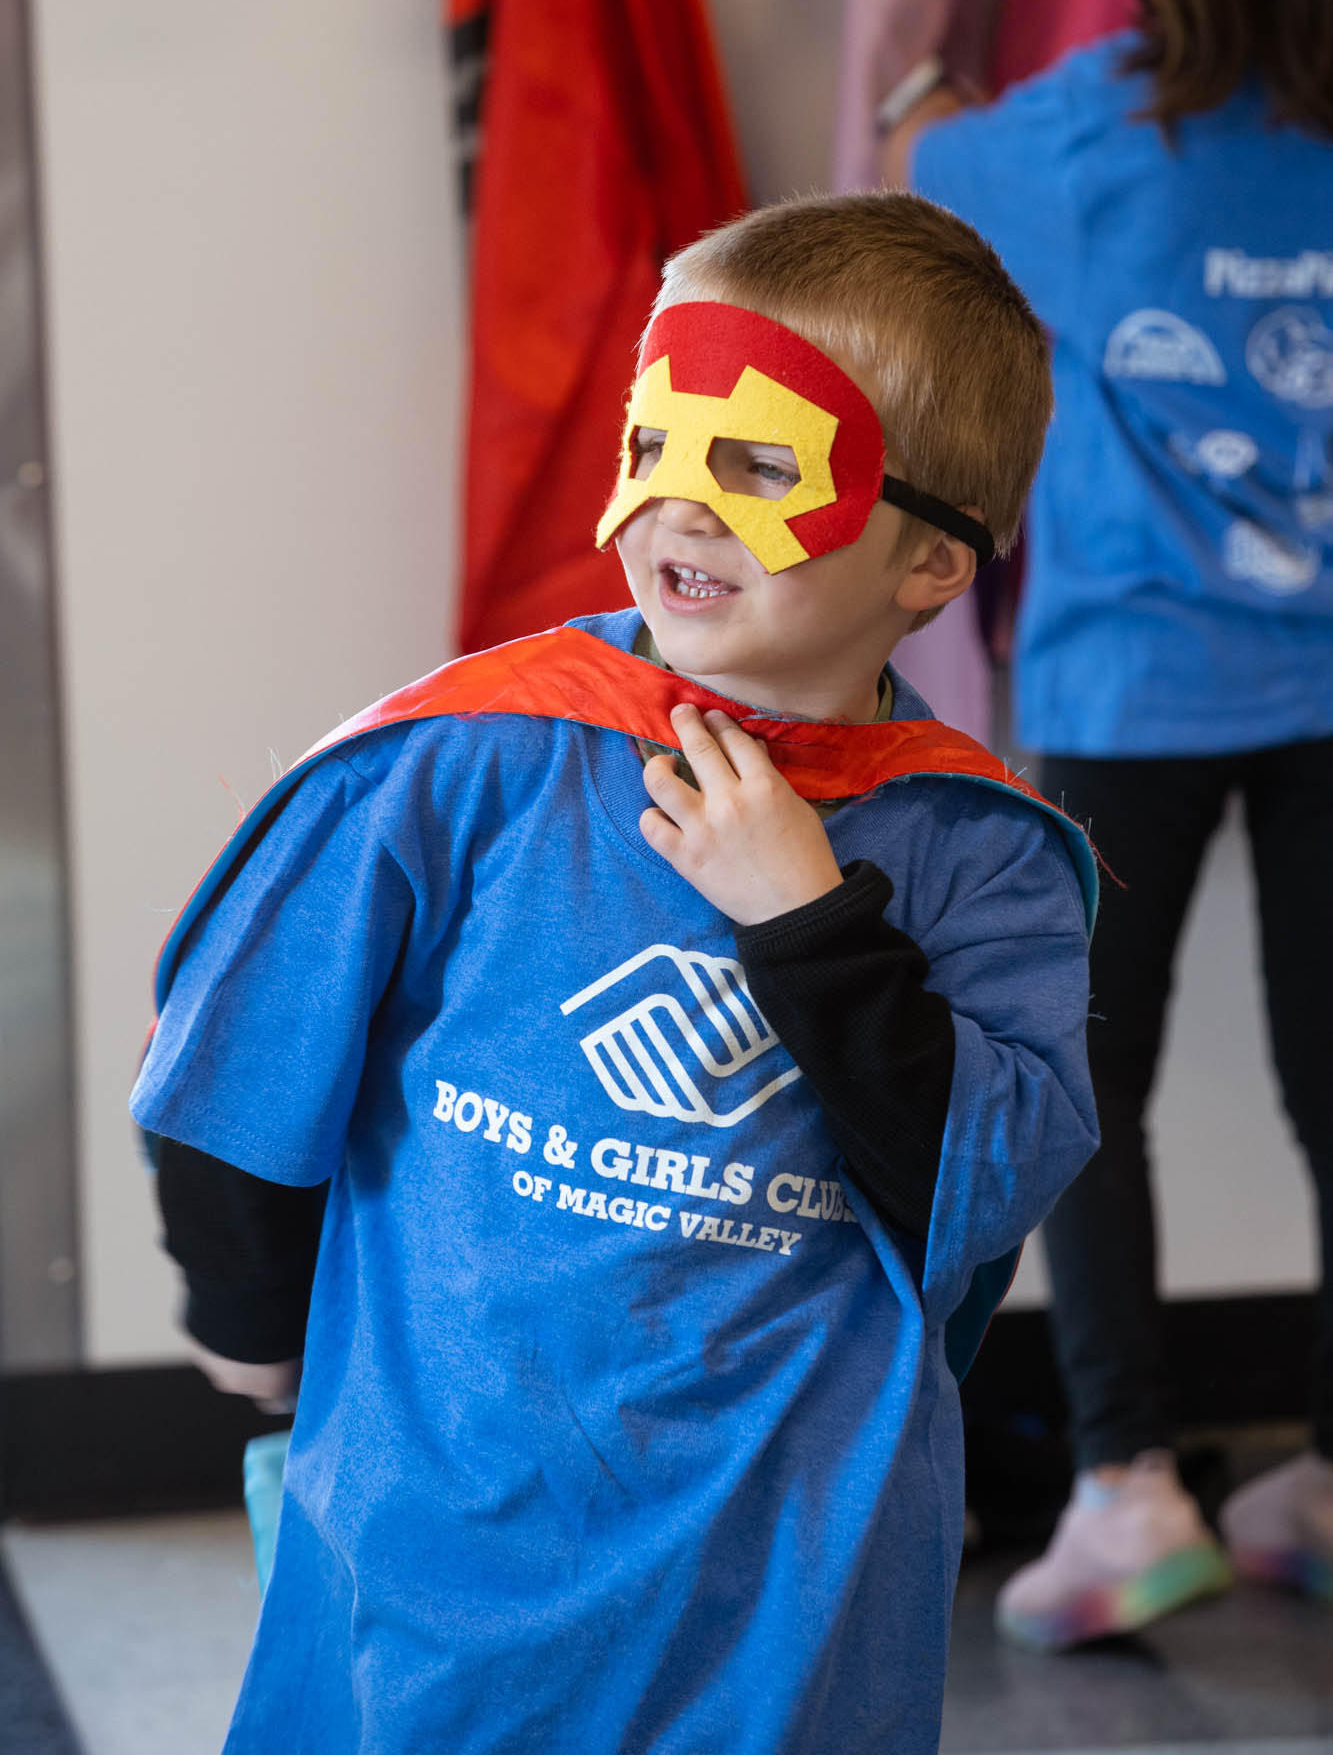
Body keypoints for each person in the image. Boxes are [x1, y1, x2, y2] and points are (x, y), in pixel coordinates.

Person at [131, 192, 1099, 1754]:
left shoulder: (975, 852)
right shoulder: (452, 761)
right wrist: (251, 1327)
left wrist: (808, 925)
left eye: (764, 467)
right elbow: (236, 1063)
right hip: (448, 1552)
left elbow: (978, 1192)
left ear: (930, 562)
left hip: (788, 1591)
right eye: (654, 445)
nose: (680, 509)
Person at [882, 0, 1333, 1652]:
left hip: (1128, 688)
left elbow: (920, 154)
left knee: (1084, 1084)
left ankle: (1130, 1480)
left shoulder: (1067, 145)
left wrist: (921, 69)